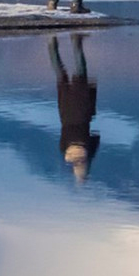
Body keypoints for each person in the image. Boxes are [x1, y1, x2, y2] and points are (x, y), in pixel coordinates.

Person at [50, 34, 100, 180]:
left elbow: (96, 137)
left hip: (83, 109)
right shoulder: (64, 150)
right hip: (65, 112)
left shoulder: (88, 151)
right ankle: (52, 45)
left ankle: (76, 42)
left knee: (80, 71)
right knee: (61, 76)